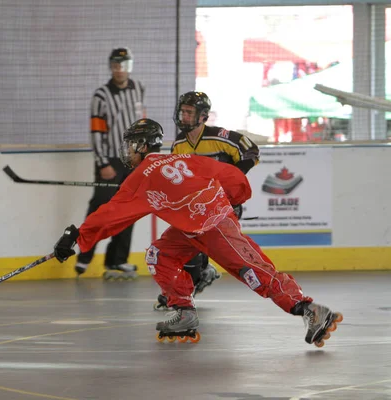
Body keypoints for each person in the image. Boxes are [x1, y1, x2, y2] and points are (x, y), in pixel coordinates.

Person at [53, 118, 342, 347]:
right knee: (159, 254)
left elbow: (112, 213)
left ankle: (308, 309)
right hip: (193, 228)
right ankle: (185, 312)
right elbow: (231, 176)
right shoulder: (186, 159)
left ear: (141, 146)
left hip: (215, 225)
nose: (127, 152)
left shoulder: (138, 177)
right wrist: (234, 199)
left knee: (253, 273)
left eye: (130, 146)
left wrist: (77, 237)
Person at [151, 91, 261, 310]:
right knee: (190, 243)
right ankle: (199, 276)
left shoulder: (220, 137)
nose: (184, 117)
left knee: (200, 242)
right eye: (182, 112)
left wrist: (232, 180)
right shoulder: (179, 145)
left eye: (189, 113)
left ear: (203, 116)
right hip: (198, 207)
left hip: (224, 207)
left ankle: (196, 279)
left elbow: (252, 151)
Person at [74, 47, 146, 280]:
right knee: (99, 208)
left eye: (123, 65)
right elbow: (96, 133)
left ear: (129, 66)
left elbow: (142, 124)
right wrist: (102, 163)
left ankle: (118, 260)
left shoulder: (138, 89)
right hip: (110, 162)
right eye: (115, 65)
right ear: (110, 67)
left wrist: (143, 156)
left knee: (128, 210)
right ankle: (84, 255)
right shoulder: (101, 95)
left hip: (133, 160)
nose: (119, 70)